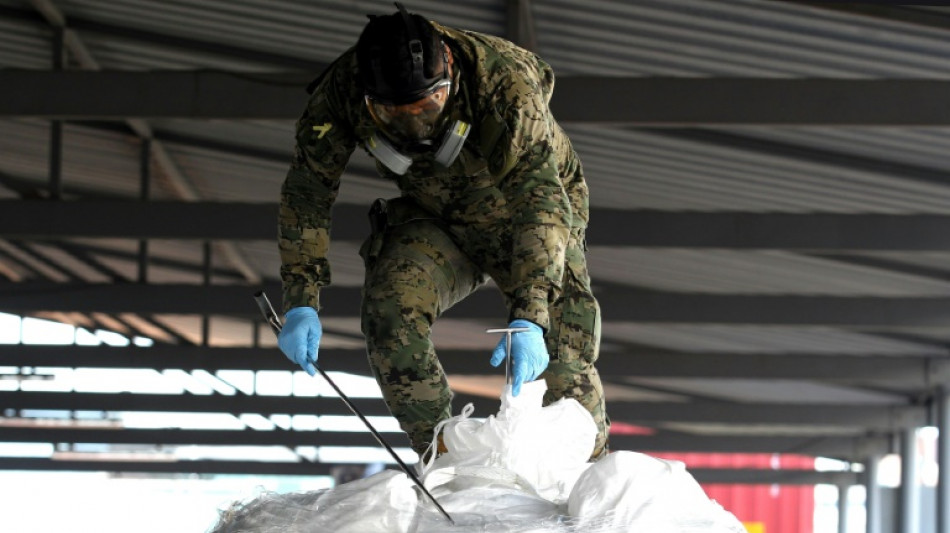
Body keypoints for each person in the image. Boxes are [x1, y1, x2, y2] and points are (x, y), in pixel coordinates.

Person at [276, 2, 609, 461]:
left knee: (565, 353)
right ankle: (445, 459)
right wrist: (300, 299)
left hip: (526, 217)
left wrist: (531, 314)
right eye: (394, 114)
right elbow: (307, 191)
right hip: (438, 216)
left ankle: (590, 478)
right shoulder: (342, 91)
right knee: (389, 310)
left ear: (448, 71)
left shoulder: (503, 84)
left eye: (426, 106)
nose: (415, 125)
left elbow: (540, 200)